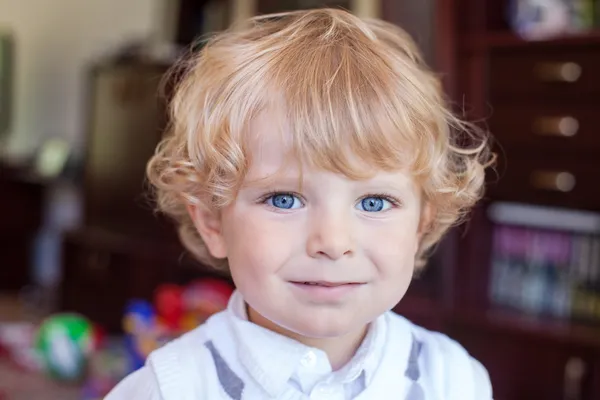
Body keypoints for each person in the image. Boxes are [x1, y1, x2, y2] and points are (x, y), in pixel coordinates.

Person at [106, 8, 494, 400]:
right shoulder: (166, 390)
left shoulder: (454, 380)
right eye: (285, 199)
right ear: (212, 222)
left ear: (421, 225)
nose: (332, 241)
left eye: (374, 202)